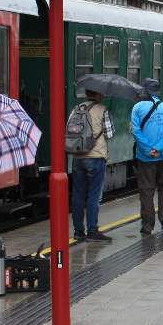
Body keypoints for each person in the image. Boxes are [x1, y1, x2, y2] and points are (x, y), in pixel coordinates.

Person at [131, 78, 163, 235]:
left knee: (146, 190)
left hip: (146, 158)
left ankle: (147, 226)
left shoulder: (137, 107)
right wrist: (159, 147)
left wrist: (148, 149)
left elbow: (135, 131)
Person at [70, 89, 115, 242]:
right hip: (95, 157)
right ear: (98, 94)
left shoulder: (77, 109)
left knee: (78, 195)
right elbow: (110, 134)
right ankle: (92, 230)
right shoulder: (102, 110)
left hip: (78, 157)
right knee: (94, 195)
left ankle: (78, 231)